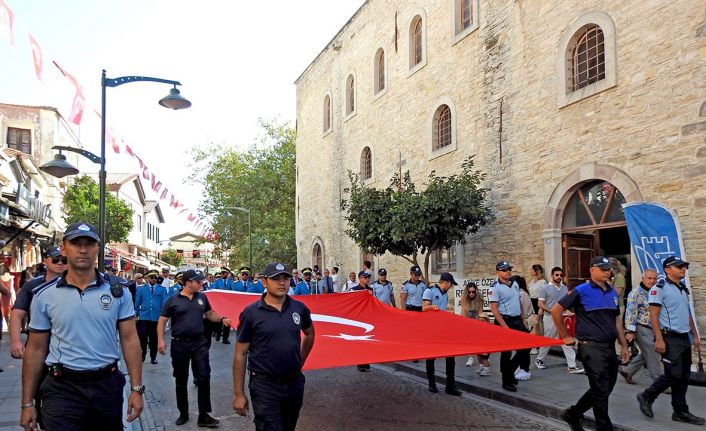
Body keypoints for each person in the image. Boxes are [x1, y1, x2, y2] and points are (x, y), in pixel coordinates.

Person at [21, 222, 144, 431]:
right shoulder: (44, 295)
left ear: (98, 249)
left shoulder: (118, 292)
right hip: (62, 388)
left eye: (89, 243)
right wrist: (27, 403)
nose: (83, 249)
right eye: (76, 243)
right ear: (64, 247)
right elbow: (35, 348)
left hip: (106, 386)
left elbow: (130, 339)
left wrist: (136, 389)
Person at [233, 262, 315, 430]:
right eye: (275, 278)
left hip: (293, 383)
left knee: (288, 426)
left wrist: (300, 361)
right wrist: (238, 394)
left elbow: (310, 333)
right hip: (265, 385)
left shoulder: (299, 308)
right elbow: (240, 354)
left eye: (285, 278)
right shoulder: (251, 313)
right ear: (264, 282)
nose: (282, 282)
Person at [552, 256, 630, 431]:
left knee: (604, 388)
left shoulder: (611, 291)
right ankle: (604, 427)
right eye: (603, 269)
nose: (607, 272)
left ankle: (573, 414)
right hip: (591, 347)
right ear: (592, 270)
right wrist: (565, 335)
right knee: (601, 389)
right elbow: (556, 311)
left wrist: (624, 345)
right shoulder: (581, 290)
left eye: (608, 269)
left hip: (609, 348)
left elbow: (616, 319)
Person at [158, 269, 231, 427]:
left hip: (199, 343)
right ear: (188, 282)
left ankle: (204, 415)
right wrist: (160, 340)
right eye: (198, 281)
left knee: (204, 377)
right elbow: (162, 320)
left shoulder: (202, 298)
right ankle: (183, 413)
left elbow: (210, 314)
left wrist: (222, 318)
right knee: (181, 379)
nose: (201, 284)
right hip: (179, 344)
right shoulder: (173, 300)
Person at [636, 256, 704, 425]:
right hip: (669, 337)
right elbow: (653, 315)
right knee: (673, 374)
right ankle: (646, 396)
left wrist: (695, 335)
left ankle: (680, 411)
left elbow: (686, 313)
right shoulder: (659, 288)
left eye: (684, 266)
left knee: (683, 375)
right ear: (667, 269)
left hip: (683, 337)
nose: (683, 269)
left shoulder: (682, 288)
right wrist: (659, 339)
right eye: (679, 266)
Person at [10, 246, 67, 360]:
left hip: (66, 346)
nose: (60, 263)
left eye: (64, 260)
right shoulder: (32, 286)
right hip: (37, 343)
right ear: (45, 261)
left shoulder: (75, 285)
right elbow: (17, 314)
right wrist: (15, 341)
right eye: (56, 259)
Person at [488, 261, 531, 392]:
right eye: (504, 270)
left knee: (526, 347)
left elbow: (518, 302)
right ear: (498, 272)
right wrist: (504, 326)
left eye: (509, 269)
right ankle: (506, 381)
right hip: (504, 320)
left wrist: (523, 318)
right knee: (506, 352)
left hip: (517, 320)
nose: (508, 271)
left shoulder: (515, 284)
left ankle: (509, 371)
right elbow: (494, 309)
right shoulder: (494, 287)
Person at [536, 267, 584, 374]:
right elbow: (540, 304)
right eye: (556, 275)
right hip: (549, 317)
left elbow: (565, 304)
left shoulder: (564, 288)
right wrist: (553, 311)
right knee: (548, 339)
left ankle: (572, 365)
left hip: (563, 318)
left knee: (566, 339)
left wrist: (568, 311)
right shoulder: (545, 288)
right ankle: (540, 359)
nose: (559, 277)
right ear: (552, 275)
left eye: (560, 275)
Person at [620, 269, 662, 385]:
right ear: (643, 278)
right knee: (653, 351)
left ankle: (627, 371)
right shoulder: (635, 293)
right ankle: (659, 383)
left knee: (646, 352)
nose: (652, 281)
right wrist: (630, 331)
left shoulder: (656, 292)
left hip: (654, 328)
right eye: (649, 278)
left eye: (654, 278)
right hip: (641, 327)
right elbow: (630, 313)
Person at [422, 272, 462, 396]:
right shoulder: (430, 291)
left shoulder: (445, 294)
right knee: (431, 356)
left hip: (444, 329)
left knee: (450, 356)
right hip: (431, 329)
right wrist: (433, 307)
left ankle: (450, 385)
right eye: (450, 284)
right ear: (445, 282)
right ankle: (431, 383)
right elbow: (424, 308)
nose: (451, 287)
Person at [135, 269, 168, 364]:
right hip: (143, 317)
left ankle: (153, 357)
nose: (154, 279)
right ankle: (142, 355)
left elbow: (164, 303)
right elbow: (137, 304)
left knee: (154, 339)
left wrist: (164, 316)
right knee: (142, 338)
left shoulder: (161, 289)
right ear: (148, 278)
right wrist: (136, 314)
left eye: (155, 278)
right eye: (152, 277)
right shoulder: (141, 289)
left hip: (155, 318)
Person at [460, 282, 491, 375]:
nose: (471, 294)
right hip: (467, 316)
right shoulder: (464, 297)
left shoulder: (480, 296)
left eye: (473, 292)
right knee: (468, 340)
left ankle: (484, 363)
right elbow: (464, 311)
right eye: (469, 292)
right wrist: (467, 326)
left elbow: (480, 311)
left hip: (476, 316)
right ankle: (470, 357)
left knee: (478, 341)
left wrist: (479, 324)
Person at [511, 275, 536, 381]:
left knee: (524, 349)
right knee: (522, 348)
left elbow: (523, 311)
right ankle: (522, 369)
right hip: (522, 323)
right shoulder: (520, 294)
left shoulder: (522, 294)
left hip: (525, 323)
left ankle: (524, 369)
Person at [351, 271, 373, 372]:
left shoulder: (370, 289)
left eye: (368, 277)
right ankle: (360, 363)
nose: (367, 279)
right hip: (358, 318)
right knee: (360, 341)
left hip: (368, 317)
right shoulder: (354, 290)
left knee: (368, 341)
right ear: (360, 278)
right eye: (365, 277)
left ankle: (367, 361)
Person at [528, 264, 547, 351]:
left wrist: (541, 308)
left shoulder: (542, 282)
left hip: (538, 302)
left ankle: (535, 345)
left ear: (536, 271)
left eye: (532, 270)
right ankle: (537, 344)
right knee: (535, 324)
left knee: (536, 324)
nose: (530, 271)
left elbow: (544, 295)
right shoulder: (531, 282)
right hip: (531, 302)